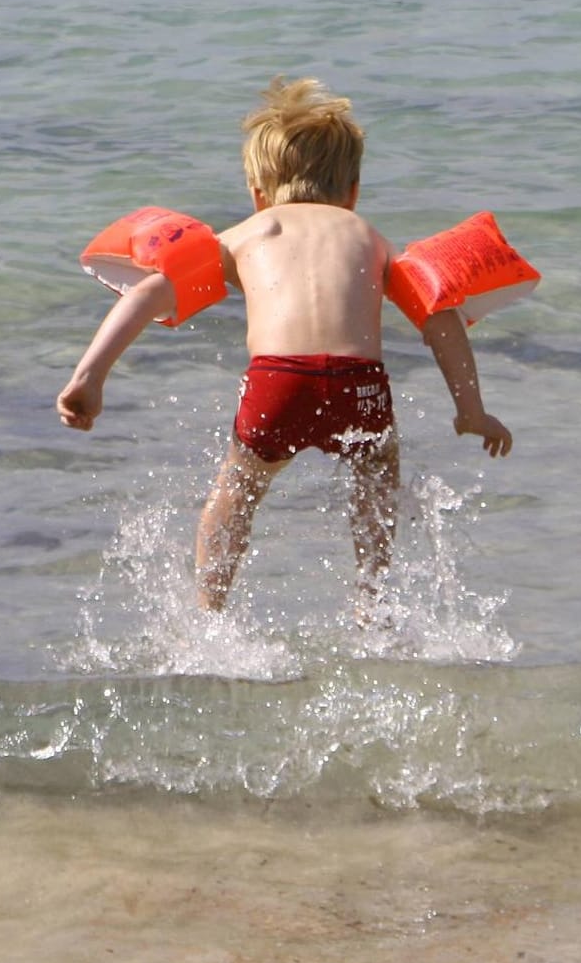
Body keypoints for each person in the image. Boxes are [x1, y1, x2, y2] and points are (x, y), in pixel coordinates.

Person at [57, 77, 512, 612]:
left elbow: (153, 290)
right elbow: (440, 317)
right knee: (377, 479)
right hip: (358, 385)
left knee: (236, 494)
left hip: (280, 384)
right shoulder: (366, 236)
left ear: (257, 193)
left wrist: (90, 376)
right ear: (353, 191)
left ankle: (210, 611)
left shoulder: (249, 233)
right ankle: (372, 603)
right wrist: (471, 410)